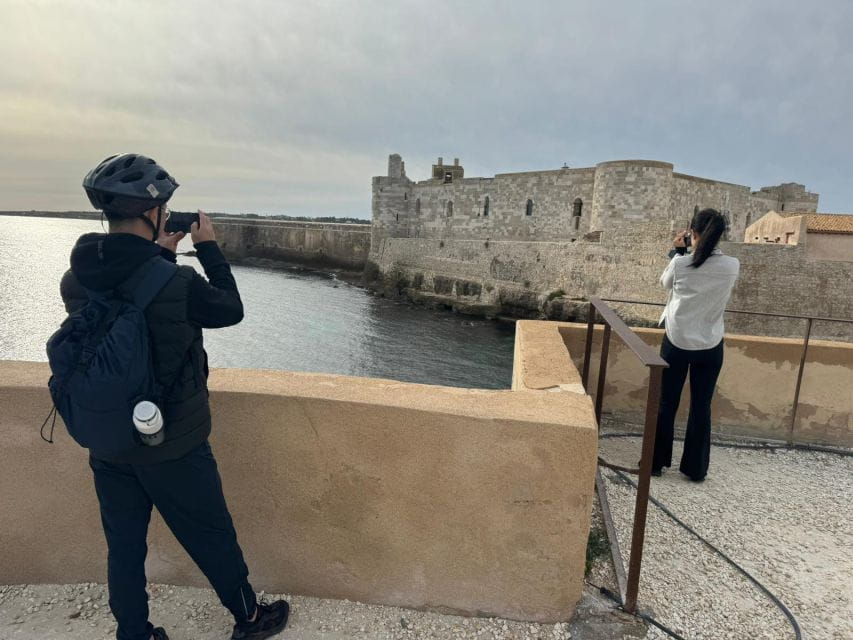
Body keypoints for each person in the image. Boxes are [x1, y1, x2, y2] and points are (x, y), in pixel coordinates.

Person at [60, 153, 289, 640]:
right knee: (211, 534)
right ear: (153, 213)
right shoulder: (178, 281)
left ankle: (134, 633)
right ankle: (250, 618)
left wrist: (158, 254)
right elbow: (229, 309)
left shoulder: (76, 278)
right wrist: (206, 249)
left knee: (123, 545)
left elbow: (126, 302)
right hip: (173, 443)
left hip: (109, 438)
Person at [652, 208, 740, 482]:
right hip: (710, 343)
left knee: (667, 402)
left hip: (677, 340)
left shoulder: (681, 264)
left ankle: (656, 462)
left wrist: (677, 252)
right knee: (701, 406)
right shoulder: (732, 265)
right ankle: (695, 468)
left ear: (694, 233)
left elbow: (664, 283)